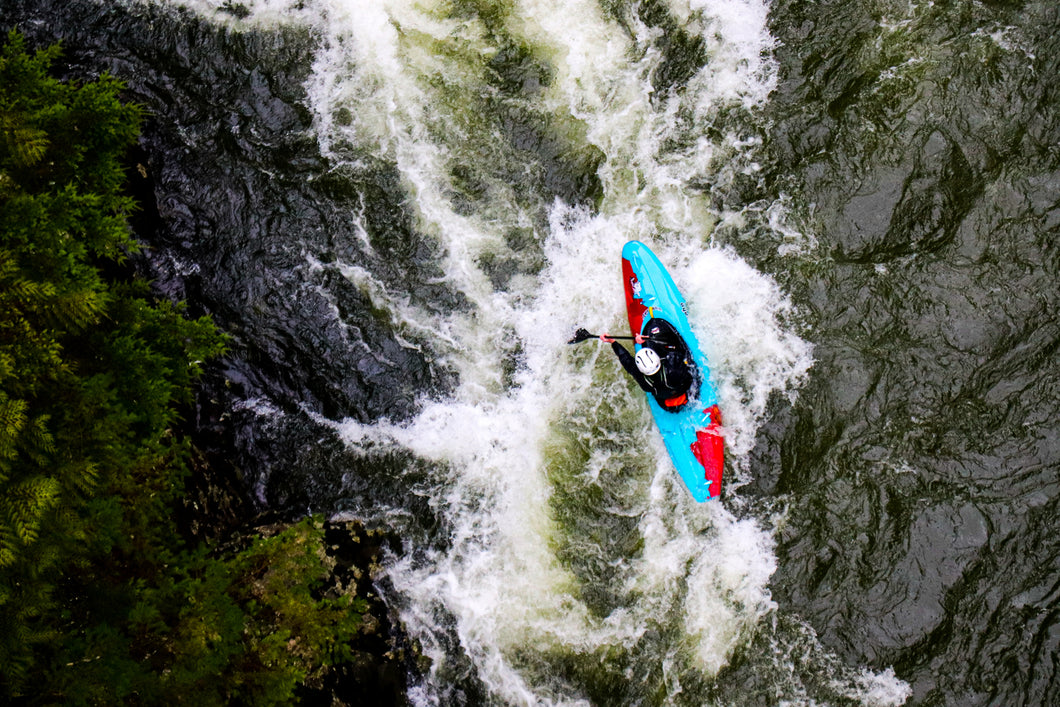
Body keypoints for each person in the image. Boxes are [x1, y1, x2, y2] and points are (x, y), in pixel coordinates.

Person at [600, 318, 697, 411]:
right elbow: (676, 346)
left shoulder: (644, 382)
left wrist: (612, 341)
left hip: (667, 403)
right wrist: (650, 339)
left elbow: (626, 360)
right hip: (685, 390)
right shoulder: (673, 365)